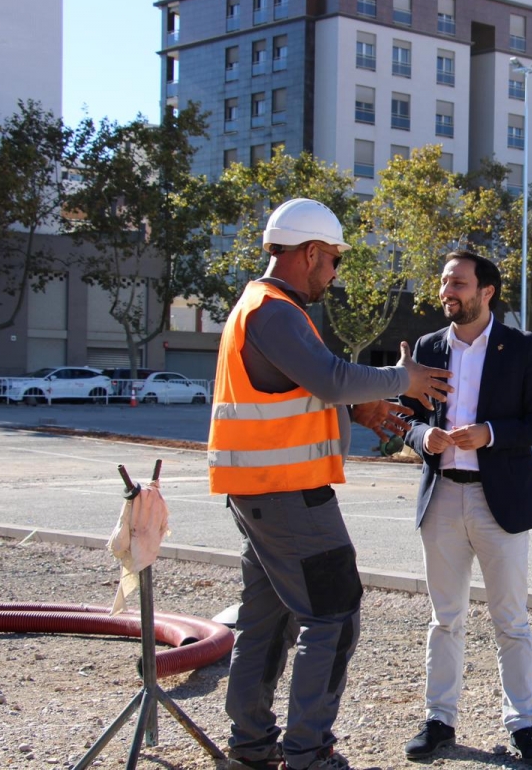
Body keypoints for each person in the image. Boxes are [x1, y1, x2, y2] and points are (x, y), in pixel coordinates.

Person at [211, 198, 453, 770]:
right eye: (334, 260)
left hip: (261, 491)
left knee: (266, 618)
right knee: (334, 614)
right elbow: (332, 376)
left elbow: (299, 390)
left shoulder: (263, 308)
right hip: (290, 493)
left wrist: (359, 413)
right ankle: (308, 754)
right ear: (311, 252)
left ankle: (250, 747)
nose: (336, 272)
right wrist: (404, 377)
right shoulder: (273, 311)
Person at [399, 250, 532, 765]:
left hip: (502, 502)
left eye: (459, 283)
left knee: (510, 621)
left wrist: (489, 434)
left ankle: (524, 726)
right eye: (446, 281)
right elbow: (406, 419)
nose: (449, 290)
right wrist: (425, 436)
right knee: (444, 618)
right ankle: (439, 720)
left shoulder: (522, 348)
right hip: (442, 494)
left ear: (486, 291)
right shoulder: (427, 346)